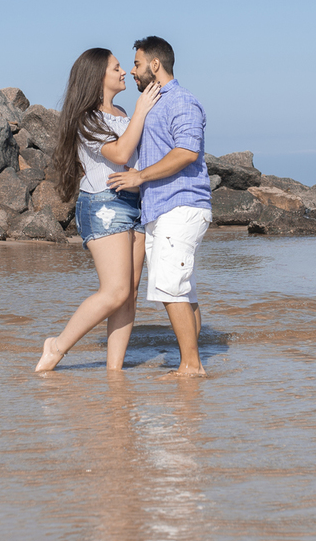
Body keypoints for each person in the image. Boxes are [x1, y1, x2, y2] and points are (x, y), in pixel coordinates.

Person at [34, 47, 161, 372]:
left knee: (128, 293)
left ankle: (114, 370)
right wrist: (142, 111)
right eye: (117, 67)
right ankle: (57, 346)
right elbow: (119, 153)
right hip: (104, 204)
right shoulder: (87, 118)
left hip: (135, 203)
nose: (124, 73)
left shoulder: (120, 111)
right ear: (97, 77)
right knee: (115, 290)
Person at [107, 36, 213, 378]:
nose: (133, 72)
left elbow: (186, 153)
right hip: (163, 209)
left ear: (155, 65)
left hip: (180, 205)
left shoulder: (182, 101)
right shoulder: (156, 102)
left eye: (136, 64)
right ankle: (191, 360)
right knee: (183, 289)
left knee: (171, 287)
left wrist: (140, 178)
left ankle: (190, 366)